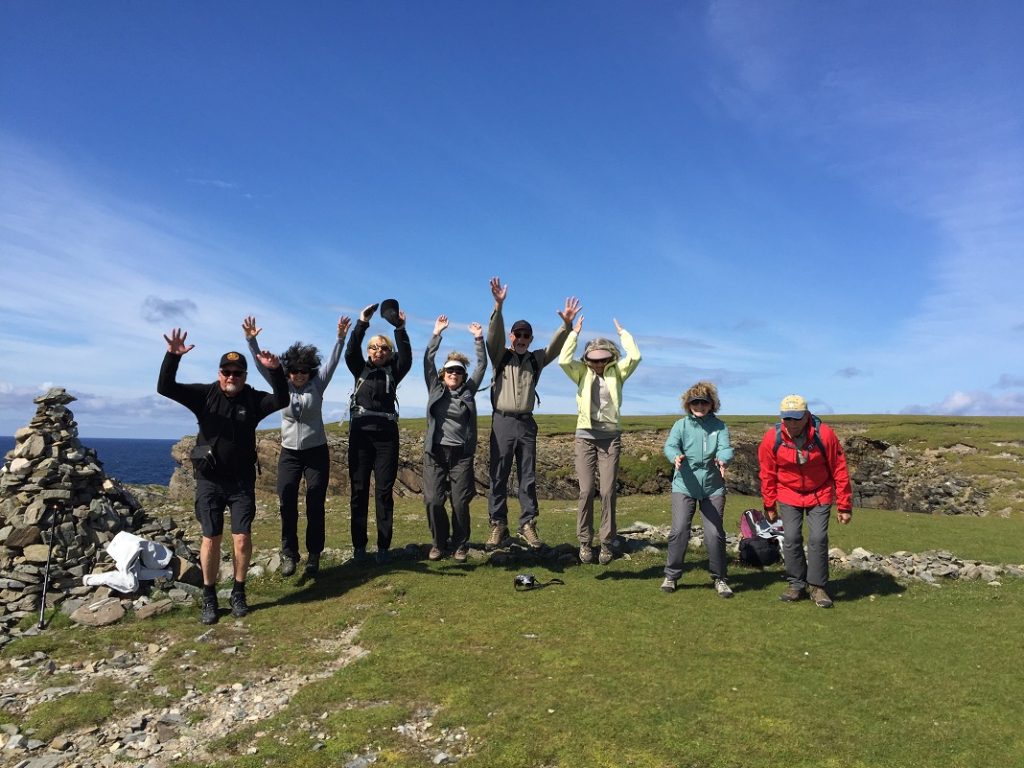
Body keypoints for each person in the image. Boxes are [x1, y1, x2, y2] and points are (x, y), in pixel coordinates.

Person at [157, 328, 289, 624]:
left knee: (241, 539)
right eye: (226, 371)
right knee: (211, 538)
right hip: (209, 480)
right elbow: (165, 387)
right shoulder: (205, 395)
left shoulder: (254, 400)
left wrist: (276, 370)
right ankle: (209, 595)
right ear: (219, 374)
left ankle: (239, 592)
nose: (231, 376)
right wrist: (172, 357)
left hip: (241, 481)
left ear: (244, 376)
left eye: (237, 373)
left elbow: (282, 399)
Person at [243, 314, 351, 578]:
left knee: (315, 502)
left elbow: (334, 361)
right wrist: (252, 341)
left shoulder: (318, 384)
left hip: (316, 452)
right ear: (288, 371)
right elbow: (262, 368)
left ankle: (314, 555)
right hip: (289, 453)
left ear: (310, 371)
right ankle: (289, 553)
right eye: (294, 371)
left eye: (304, 371)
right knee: (286, 500)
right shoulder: (282, 384)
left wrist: (340, 337)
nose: (299, 375)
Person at [485, 277, 581, 550]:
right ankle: (497, 526)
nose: (522, 339)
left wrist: (566, 325)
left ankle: (528, 524)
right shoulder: (499, 355)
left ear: (530, 339)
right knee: (498, 475)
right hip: (501, 422)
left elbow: (554, 349)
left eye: (527, 336)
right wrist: (498, 306)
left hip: (527, 424)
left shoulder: (535, 359)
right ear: (511, 337)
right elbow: (494, 335)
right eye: (518, 335)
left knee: (527, 476)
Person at [558, 316, 641, 565]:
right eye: (594, 360)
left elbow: (635, 357)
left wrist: (623, 333)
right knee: (585, 491)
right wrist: (574, 334)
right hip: (585, 437)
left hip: (610, 437)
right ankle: (585, 542)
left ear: (610, 358)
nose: (598, 364)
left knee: (607, 492)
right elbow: (563, 360)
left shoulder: (618, 372)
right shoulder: (581, 372)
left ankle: (606, 543)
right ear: (587, 360)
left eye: (603, 359)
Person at [758, 394, 853, 608]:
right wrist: (769, 504)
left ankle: (818, 587)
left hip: (820, 492)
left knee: (818, 538)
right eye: (787, 418)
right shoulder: (771, 439)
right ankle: (796, 585)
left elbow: (839, 469)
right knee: (791, 538)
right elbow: (767, 473)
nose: (791, 424)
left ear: (807, 415)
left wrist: (844, 506)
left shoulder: (825, 435)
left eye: (796, 418)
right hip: (788, 493)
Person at [345, 301, 412, 564]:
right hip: (360, 436)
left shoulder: (394, 371)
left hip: (386, 438)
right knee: (359, 492)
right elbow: (350, 351)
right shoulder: (359, 369)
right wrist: (362, 323)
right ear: (368, 351)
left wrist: (400, 328)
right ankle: (359, 548)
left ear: (389, 352)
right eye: (373, 347)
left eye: (383, 348)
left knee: (384, 492)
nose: (378, 351)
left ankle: (383, 548)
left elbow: (406, 358)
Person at [660, 382, 735, 597]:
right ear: (688, 404)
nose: (700, 406)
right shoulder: (680, 426)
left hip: (713, 486)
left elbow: (725, 448)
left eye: (704, 402)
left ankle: (720, 578)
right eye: (695, 402)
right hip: (684, 484)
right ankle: (671, 576)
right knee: (679, 530)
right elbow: (670, 445)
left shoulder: (719, 426)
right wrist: (675, 456)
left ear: (712, 404)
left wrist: (723, 459)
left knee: (714, 534)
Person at [422, 315, 486, 562]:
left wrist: (479, 339)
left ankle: (460, 544)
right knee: (434, 501)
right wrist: (437, 333)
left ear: (462, 375)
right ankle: (438, 543)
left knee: (460, 502)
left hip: (461, 454)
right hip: (435, 453)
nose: (454, 374)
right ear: (443, 373)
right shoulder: (435, 388)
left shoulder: (468, 391)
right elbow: (427, 360)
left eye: (458, 371)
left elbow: (481, 366)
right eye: (450, 370)